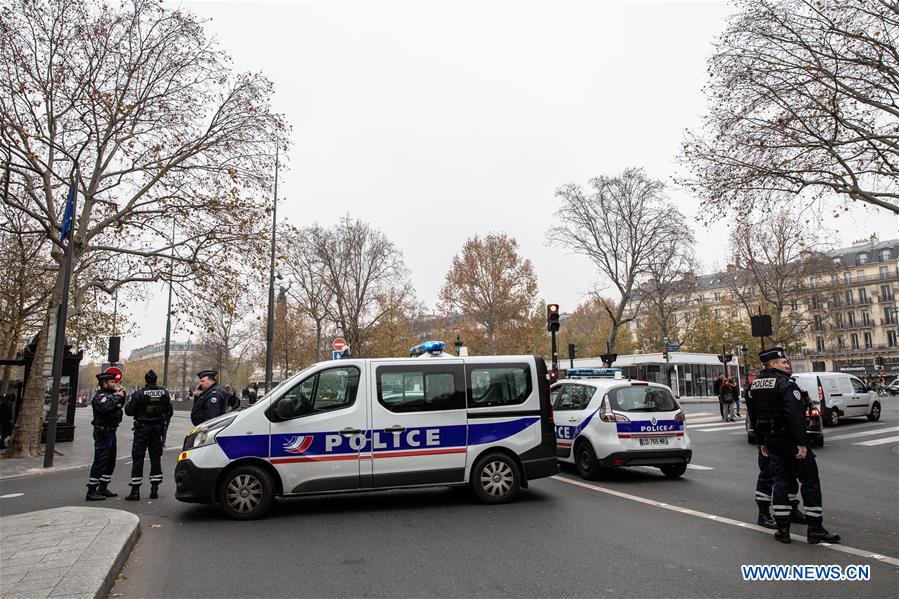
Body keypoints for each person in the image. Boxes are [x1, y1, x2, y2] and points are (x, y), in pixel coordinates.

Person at [748, 347, 840, 544]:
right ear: (773, 364)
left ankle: (783, 529)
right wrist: (801, 443)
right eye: (783, 362)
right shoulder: (786, 384)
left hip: (770, 439)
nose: (787, 364)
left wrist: (761, 441)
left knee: (780, 481)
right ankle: (815, 528)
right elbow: (794, 416)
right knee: (810, 480)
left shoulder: (754, 385)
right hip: (789, 438)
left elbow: (754, 416)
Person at [124, 370, 173, 500]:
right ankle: (154, 489)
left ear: (146, 380)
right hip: (157, 429)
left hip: (142, 429)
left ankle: (135, 490)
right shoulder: (164, 393)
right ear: (156, 380)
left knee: (138, 457)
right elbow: (169, 410)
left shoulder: (139, 394)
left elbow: (129, 411)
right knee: (155, 457)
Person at [86, 372, 126, 501]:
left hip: (111, 431)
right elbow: (105, 407)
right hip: (102, 432)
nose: (114, 384)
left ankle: (103, 487)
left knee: (110, 461)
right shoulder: (100, 397)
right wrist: (118, 397)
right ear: (104, 384)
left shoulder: (112, 396)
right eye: (112, 382)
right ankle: (92, 490)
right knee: (101, 460)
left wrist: (121, 396)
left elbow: (119, 405)